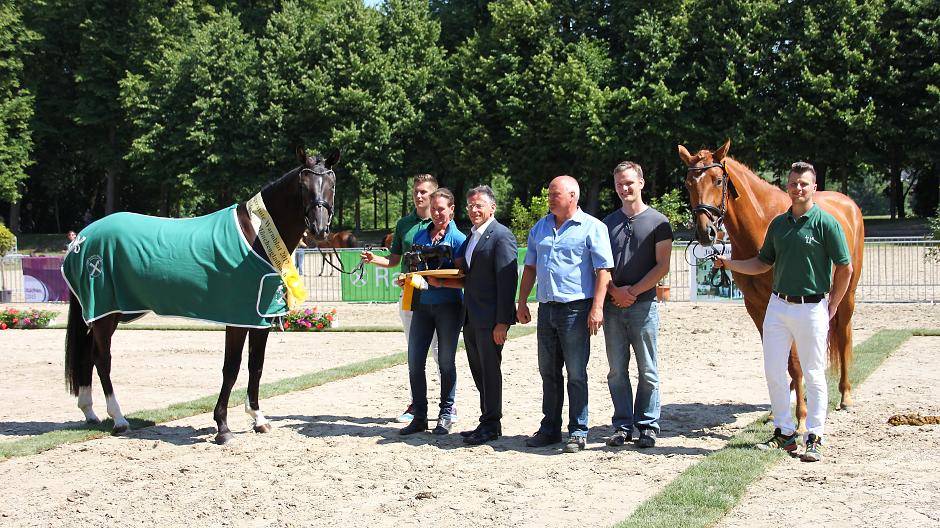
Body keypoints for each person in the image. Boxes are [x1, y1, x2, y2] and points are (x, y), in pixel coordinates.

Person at [714, 161, 852, 462]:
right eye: (793, 183)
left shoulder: (826, 223)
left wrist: (834, 304)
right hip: (778, 306)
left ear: (813, 187)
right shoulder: (778, 224)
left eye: (803, 183)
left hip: (811, 305)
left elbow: (845, 267)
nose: (798, 188)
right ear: (788, 186)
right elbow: (762, 264)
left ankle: (814, 435)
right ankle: (784, 432)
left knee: (814, 374)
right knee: (774, 372)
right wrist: (729, 263)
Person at [516, 175, 614, 453]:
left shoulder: (592, 228)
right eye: (549, 194)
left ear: (573, 196)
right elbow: (531, 268)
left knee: (575, 372)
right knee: (548, 371)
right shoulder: (540, 227)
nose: (549, 199)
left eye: (554, 194)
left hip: (575, 309)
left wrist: (597, 307)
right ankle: (550, 428)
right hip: (546, 308)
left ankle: (579, 430)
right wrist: (522, 301)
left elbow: (603, 271)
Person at [429, 185, 518, 445]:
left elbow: (507, 280)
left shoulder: (501, 236)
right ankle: (488, 420)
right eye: (470, 206)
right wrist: (440, 282)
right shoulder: (473, 237)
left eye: (479, 205)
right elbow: (467, 277)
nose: (474, 210)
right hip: (471, 317)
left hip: (491, 320)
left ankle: (491, 424)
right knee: (479, 371)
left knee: (490, 371)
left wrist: (503, 321)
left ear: (492, 207)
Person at [599, 162, 673, 449]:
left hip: (643, 306)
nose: (624, 188)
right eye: (619, 184)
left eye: (629, 182)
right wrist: (615, 292)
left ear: (641, 183)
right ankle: (622, 424)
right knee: (617, 370)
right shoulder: (607, 223)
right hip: (613, 306)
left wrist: (633, 291)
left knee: (648, 369)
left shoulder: (659, 222)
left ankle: (647, 425)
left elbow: (662, 265)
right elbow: (602, 266)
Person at [361, 174, 441, 423]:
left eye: (424, 192)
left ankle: (448, 404)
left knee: (440, 353)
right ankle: (416, 404)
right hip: (409, 295)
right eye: (416, 191)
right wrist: (375, 260)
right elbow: (395, 261)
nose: (419, 195)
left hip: (438, 296)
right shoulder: (404, 224)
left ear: (434, 195)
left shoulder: (443, 221)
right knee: (415, 352)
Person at [398, 188, 466, 436]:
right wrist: (406, 280)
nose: (437, 213)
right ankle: (420, 415)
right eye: (434, 208)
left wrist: (442, 283)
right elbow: (415, 272)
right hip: (422, 306)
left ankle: (446, 412)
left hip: (449, 306)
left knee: (446, 361)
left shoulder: (459, 240)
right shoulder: (421, 238)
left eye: (441, 209)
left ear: (451, 210)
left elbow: (465, 279)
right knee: (415, 361)